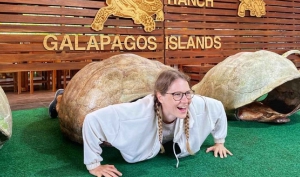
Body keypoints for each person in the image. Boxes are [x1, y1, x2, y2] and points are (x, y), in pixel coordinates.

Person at [80, 69, 233, 177]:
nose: (185, 100)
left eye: (187, 93)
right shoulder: (135, 113)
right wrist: (94, 165)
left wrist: (219, 141)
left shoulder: (196, 103)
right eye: (177, 94)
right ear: (160, 97)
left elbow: (217, 107)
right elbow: (92, 120)